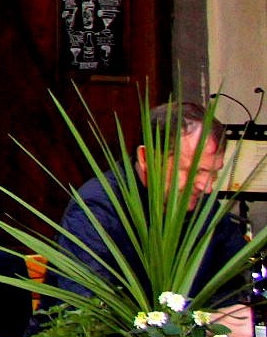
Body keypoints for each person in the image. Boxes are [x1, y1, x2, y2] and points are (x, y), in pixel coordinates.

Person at [58, 103, 252, 323]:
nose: (206, 187)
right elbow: (88, 309)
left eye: (213, 174)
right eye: (195, 171)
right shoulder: (97, 209)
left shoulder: (203, 206)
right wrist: (198, 323)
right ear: (146, 157)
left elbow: (234, 283)